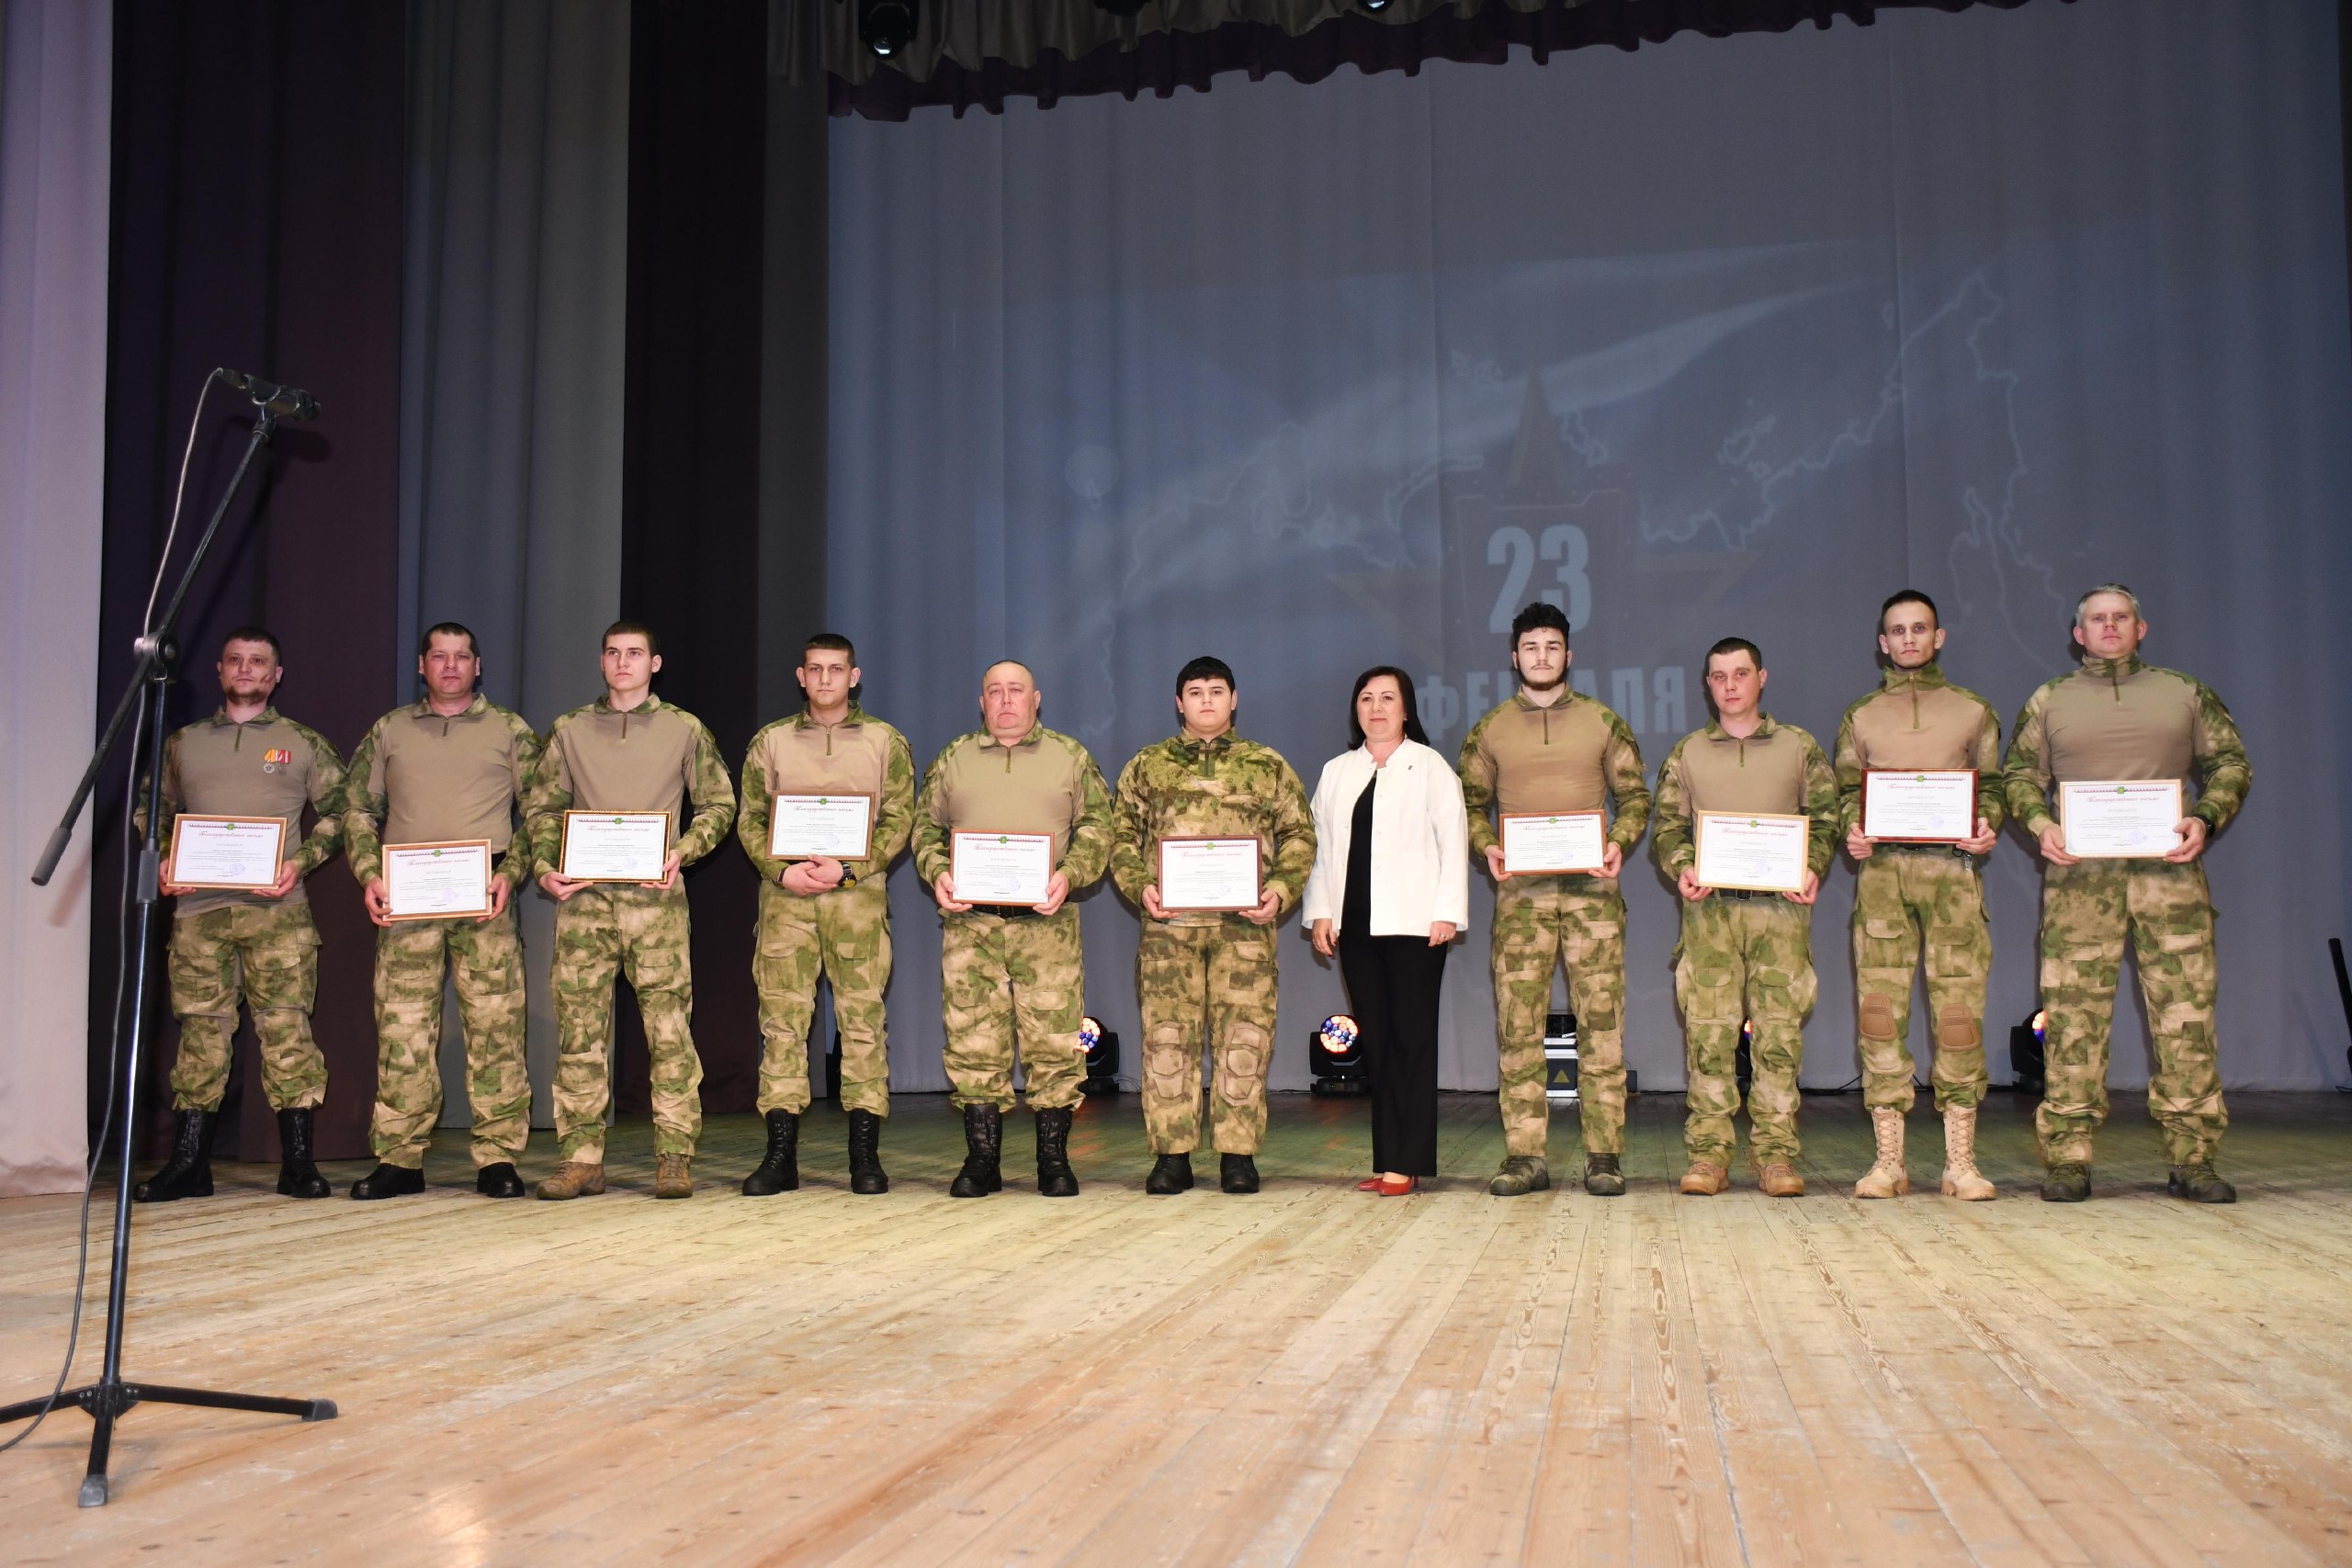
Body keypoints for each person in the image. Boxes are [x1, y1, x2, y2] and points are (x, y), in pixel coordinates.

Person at [2003, 584, 2251, 1203]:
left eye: (2120, 617)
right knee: (2071, 1023)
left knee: (2186, 1017)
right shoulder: (2050, 700)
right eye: (2096, 619)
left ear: (2141, 628)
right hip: (2079, 883)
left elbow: (2231, 764)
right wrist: (2040, 824)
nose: (2109, 627)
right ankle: (2068, 1156)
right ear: (2077, 633)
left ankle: (2193, 1158)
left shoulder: (2184, 693)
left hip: (2170, 878)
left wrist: (2208, 817)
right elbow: (2018, 777)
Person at [134, 626, 345, 1203]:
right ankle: (189, 1164)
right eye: (235, 661)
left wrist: (300, 863)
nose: (246, 669)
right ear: (220, 672)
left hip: (278, 912)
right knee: (201, 1034)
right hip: (199, 912)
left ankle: (297, 1164)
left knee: (286, 1031)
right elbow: (152, 807)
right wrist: (164, 854)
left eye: (259, 662)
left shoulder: (303, 743)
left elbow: (342, 813)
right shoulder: (182, 743)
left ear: (277, 675)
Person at [526, 622, 737, 1201]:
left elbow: (720, 803)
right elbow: (543, 808)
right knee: (579, 1035)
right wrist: (546, 866)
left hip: (656, 904)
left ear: (655, 663)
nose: (624, 662)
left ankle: (673, 1156)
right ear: (601, 662)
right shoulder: (570, 730)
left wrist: (683, 853)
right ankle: (581, 1159)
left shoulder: (684, 729)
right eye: (614, 653)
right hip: (585, 904)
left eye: (635, 654)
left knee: (669, 1032)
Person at [341, 622, 542, 1200]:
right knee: (402, 1029)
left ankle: (498, 1158)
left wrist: (511, 873)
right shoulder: (390, 730)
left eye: (461, 657)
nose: (450, 666)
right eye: (439, 657)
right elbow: (357, 809)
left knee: (496, 1029)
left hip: (485, 898)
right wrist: (368, 873)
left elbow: (543, 811)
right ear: (422, 666)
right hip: (408, 898)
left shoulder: (509, 730)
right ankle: (401, 1159)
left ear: (478, 666)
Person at [1457, 603, 1650, 1199]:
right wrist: (1488, 845)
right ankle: (1525, 1155)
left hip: (1593, 895)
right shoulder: (1491, 728)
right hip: (1522, 900)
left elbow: (1636, 797)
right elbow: (1467, 802)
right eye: (1531, 647)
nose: (1542, 656)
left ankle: (1604, 1155)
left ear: (1568, 654)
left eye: (1552, 646)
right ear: (1515, 656)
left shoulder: (1602, 722)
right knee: (1518, 1028)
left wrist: (1617, 843)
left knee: (1603, 1026)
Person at [1112, 656, 1317, 1196]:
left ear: (1234, 700)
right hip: (1169, 930)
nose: (1206, 699)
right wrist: (1141, 887)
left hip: (1244, 932)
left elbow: (1299, 838)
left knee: (1243, 1040)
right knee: (1166, 1042)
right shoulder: (1147, 766)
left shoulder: (1267, 765)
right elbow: (1120, 840)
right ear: (1178, 703)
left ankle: (1237, 1154)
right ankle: (1172, 1155)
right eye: (1195, 691)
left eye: (1216, 690)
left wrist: (1279, 889)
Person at [911, 660, 1114, 1198]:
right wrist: (938, 872)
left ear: (1036, 698)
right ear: (981, 702)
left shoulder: (1069, 757)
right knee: (974, 1043)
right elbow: (926, 828)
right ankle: (982, 1161)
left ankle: (1053, 1160)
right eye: (995, 691)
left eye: (1016, 690)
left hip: (1047, 927)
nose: (1005, 700)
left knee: (1054, 1044)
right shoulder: (954, 758)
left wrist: (1070, 875)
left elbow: (1099, 826)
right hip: (971, 926)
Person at [1833, 590, 2006, 1201]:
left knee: (1959, 1019)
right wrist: (1850, 831)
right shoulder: (1860, 716)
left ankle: (1961, 1162)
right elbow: (1845, 794)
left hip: (1953, 880)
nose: (1908, 639)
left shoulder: (1973, 711)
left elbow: (1995, 788)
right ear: (1883, 642)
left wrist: (1988, 824)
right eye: (1897, 630)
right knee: (1880, 1015)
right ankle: (1890, 1162)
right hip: (1882, 882)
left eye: (1919, 629)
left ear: (1939, 637)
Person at [1652, 637, 1837, 1198]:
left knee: (1778, 1039)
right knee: (1709, 1039)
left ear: (1762, 678)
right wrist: (1684, 866)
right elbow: (1667, 828)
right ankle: (1709, 1155)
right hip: (1709, 916)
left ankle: (1776, 1156)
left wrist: (1813, 867)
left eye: (1740, 674)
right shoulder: (1687, 754)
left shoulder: (1799, 747)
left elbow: (1825, 819)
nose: (1730, 685)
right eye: (1718, 676)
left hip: (1779, 915)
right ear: (1707, 685)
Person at [734, 633, 915, 1196]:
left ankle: (865, 1156)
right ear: (801, 676)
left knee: (862, 1024)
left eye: (836, 670)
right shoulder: (771, 742)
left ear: (853, 677)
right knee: (783, 1024)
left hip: (857, 903)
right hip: (787, 902)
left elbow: (900, 819)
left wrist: (850, 870)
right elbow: (749, 818)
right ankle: (780, 1155)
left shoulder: (886, 742)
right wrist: (778, 869)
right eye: (815, 670)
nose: (825, 680)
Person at [1300, 668, 1469, 1196]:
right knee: (1376, 1041)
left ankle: (1410, 1160)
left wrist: (1447, 912)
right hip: (1355, 928)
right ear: (1356, 710)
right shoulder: (1336, 771)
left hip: (1417, 925)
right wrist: (1321, 912)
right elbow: (1320, 849)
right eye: (1367, 698)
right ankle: (1389, 1158)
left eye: (1387, 698)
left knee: (1412, 1040)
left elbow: (1453, 839)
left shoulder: (1430, 767)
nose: (1376, 708)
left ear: (1406, 709)